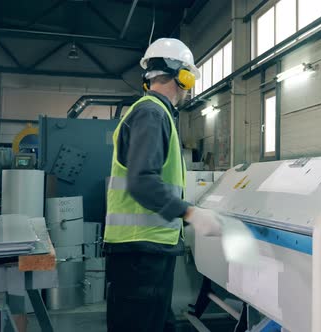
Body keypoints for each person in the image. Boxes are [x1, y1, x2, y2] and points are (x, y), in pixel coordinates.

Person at [104, 38, 222, 332]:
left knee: (157, 322)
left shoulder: (153, 113)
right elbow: (142, 182)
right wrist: (191, 213)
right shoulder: (152, 114)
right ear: (182, 76)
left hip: (145, 249)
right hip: (141, 250)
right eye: (190, 76)